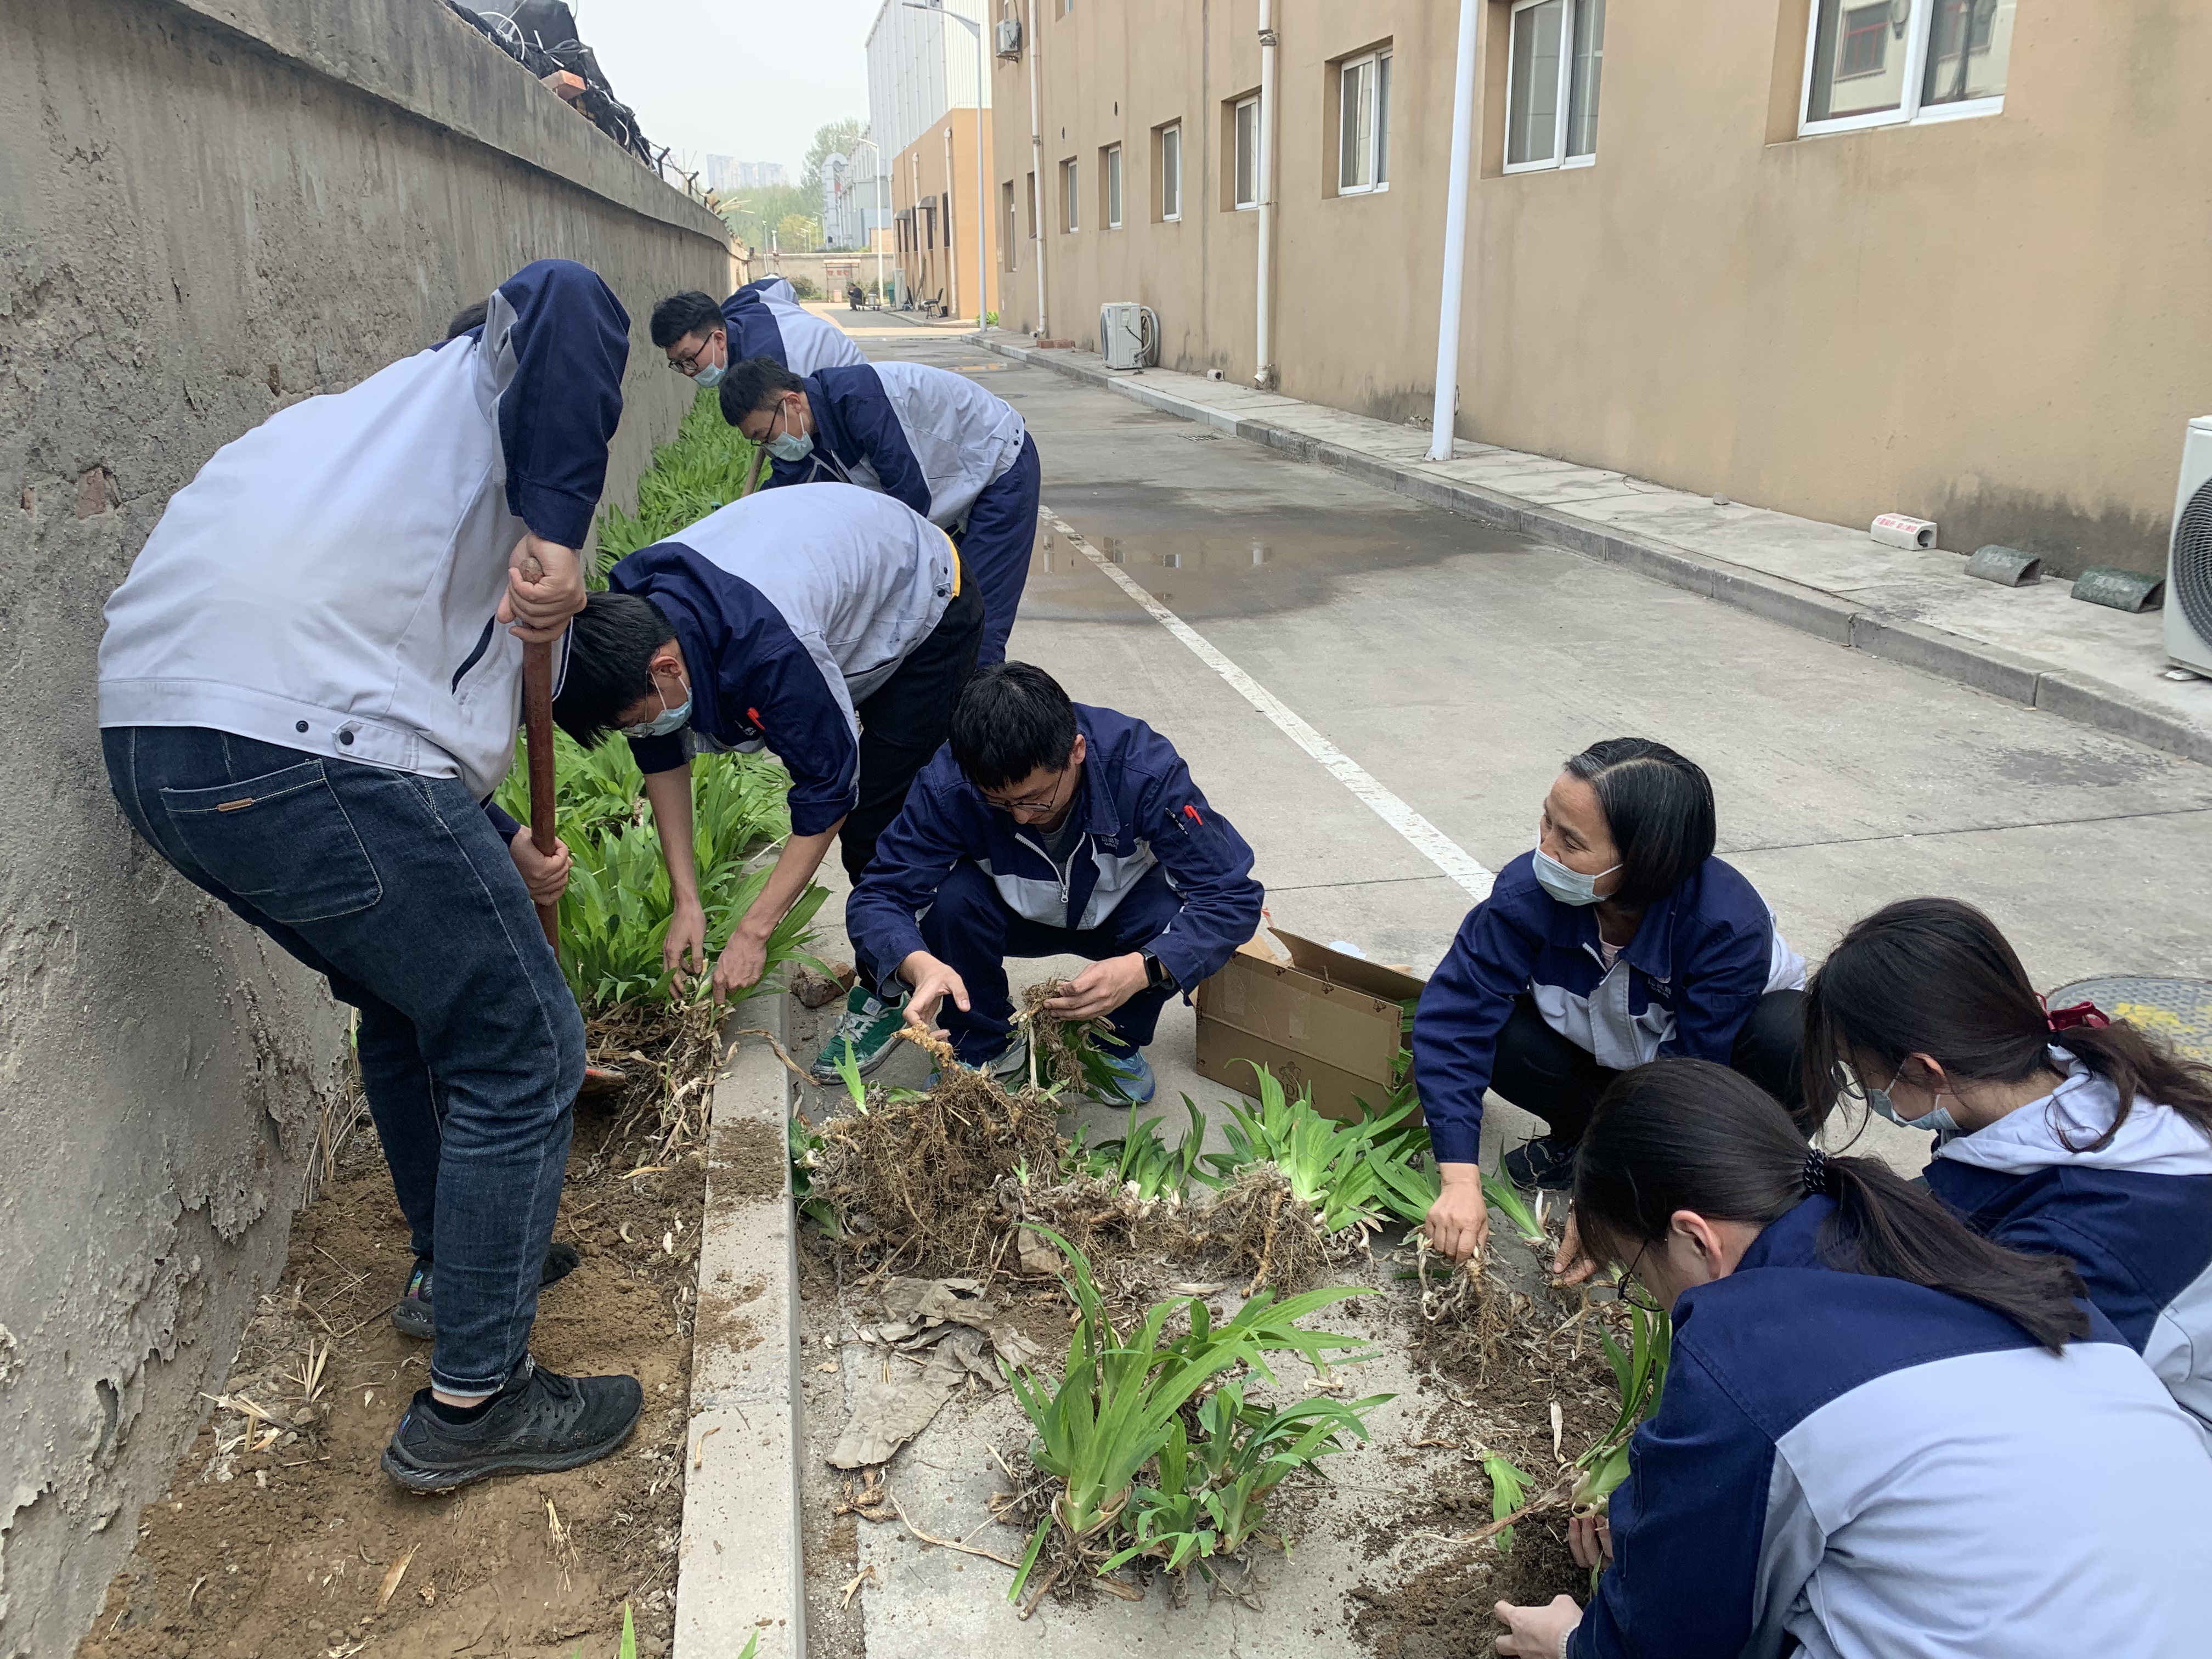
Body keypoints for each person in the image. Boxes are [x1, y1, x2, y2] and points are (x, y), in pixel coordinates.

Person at [99, 260, 644, 1492]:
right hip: (294, 738)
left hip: (161, 743)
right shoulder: (497, 369)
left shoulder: (362, 448)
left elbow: (382, 680)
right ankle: (477, 1401)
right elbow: (567, 292)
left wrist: (499, 837)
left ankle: (454, 1268)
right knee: (524, 1047)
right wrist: (561, 536)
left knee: (411, 1003)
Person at [1491, 1059, 2212, 1659]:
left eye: (1639, 1277)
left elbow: (1669, 1643)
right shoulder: (1958, 1247)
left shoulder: (1743, 1343)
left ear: (1693, 1238)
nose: (1655, 1300)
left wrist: (1578, 1640)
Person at [551, 483, 981, 1080]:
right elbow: (658, 751)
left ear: (666, 669)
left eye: (632, 719)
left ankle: (900, 991)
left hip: (925, 591)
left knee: (877, 828)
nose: (638, 730)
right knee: (863, 782)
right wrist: (687, 901)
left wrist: (755, 930)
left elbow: (829, 793)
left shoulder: (767, 651)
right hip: (836, 574)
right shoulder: (626, 612)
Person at [1801, 895, 2212, 1446]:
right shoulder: (2079, 1076)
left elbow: (2016, 1406)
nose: (1867, 1089)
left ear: (1925, 1069)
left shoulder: (2084, 1238)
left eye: (1862, 1071)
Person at [1413, 738, 1806, 1259]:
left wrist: (1616, 1200)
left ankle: (1756, 1183)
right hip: (1605, 1056)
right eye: (1546, 823)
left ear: (1645, 864)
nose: (1544, 850)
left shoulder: (1724, 926)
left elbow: (1689, 1076)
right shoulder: (1526, 896)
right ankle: (1579, 1139)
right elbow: (1454, 1020)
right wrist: (1459, 1180)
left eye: (1571, 843)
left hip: (1709, 1068)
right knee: (1499, 1030)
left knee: (1790, 1033)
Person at [845, 662, 1263, 1103]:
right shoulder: (950, 783)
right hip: (1010, 913)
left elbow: (1232, 893)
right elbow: (880, 895)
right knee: (949, 902)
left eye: (1036, 798)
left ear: (1076, 750)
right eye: (1000, 803)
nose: (1023, 817)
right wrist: (918, 964)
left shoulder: (1143, 772)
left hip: (1118, 914)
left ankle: (1111, 1044)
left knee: (1168, 912)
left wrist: (1144, 968)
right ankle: (982, 1048)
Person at [721, 356, 1040, 665]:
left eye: (765, 436)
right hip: (953, 489)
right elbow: (783, 501)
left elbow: (910, 502)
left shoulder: (862, 400)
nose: (769, 448)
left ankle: (991, 713)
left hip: (999, 466)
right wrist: (736, 533)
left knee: (980, 623)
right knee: (943, 623)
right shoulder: (807, 433)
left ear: (791, 402)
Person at [648, 283, 862, 390]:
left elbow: (799, 443)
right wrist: (796, 316)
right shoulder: (736, 306)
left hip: (851, 383)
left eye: (689, 358)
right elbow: (780, 284)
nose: (687, 371)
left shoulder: (768, 368)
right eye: (677, 364)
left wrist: (800, 330)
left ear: (719, 339)